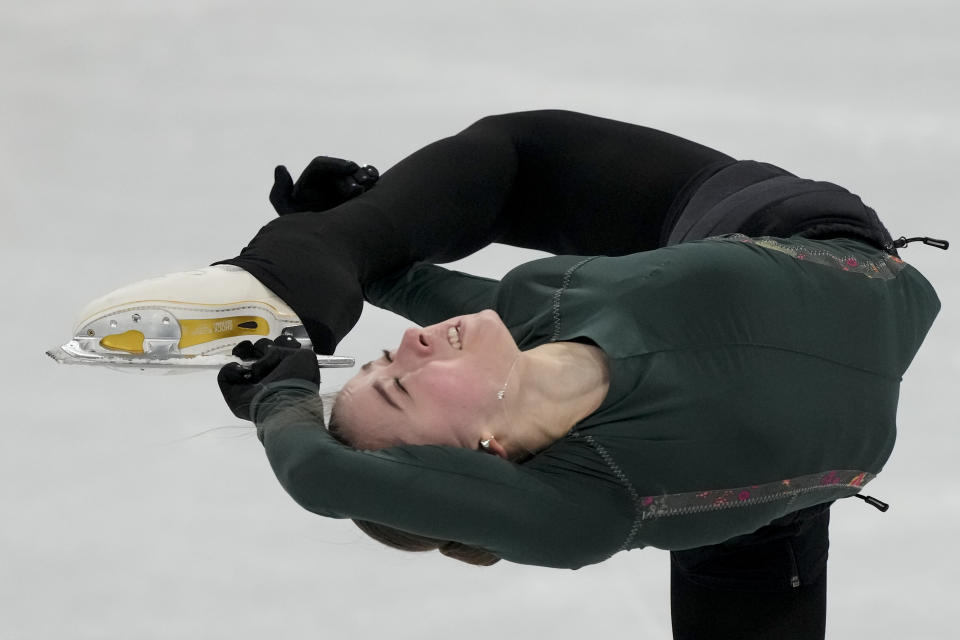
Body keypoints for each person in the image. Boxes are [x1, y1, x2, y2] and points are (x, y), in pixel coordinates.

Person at [83, 111, 943, 639]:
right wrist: (280, 394)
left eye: (384, 356)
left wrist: (350, 227)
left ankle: (315, 255)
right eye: (399, 385)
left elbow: (412, 281)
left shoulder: (538, 305)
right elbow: (317, 473)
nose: (409, 348)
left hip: (786, 230)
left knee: (517, 155)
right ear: (483, 456)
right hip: (750, 508)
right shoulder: (586, 508)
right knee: (740, 537)